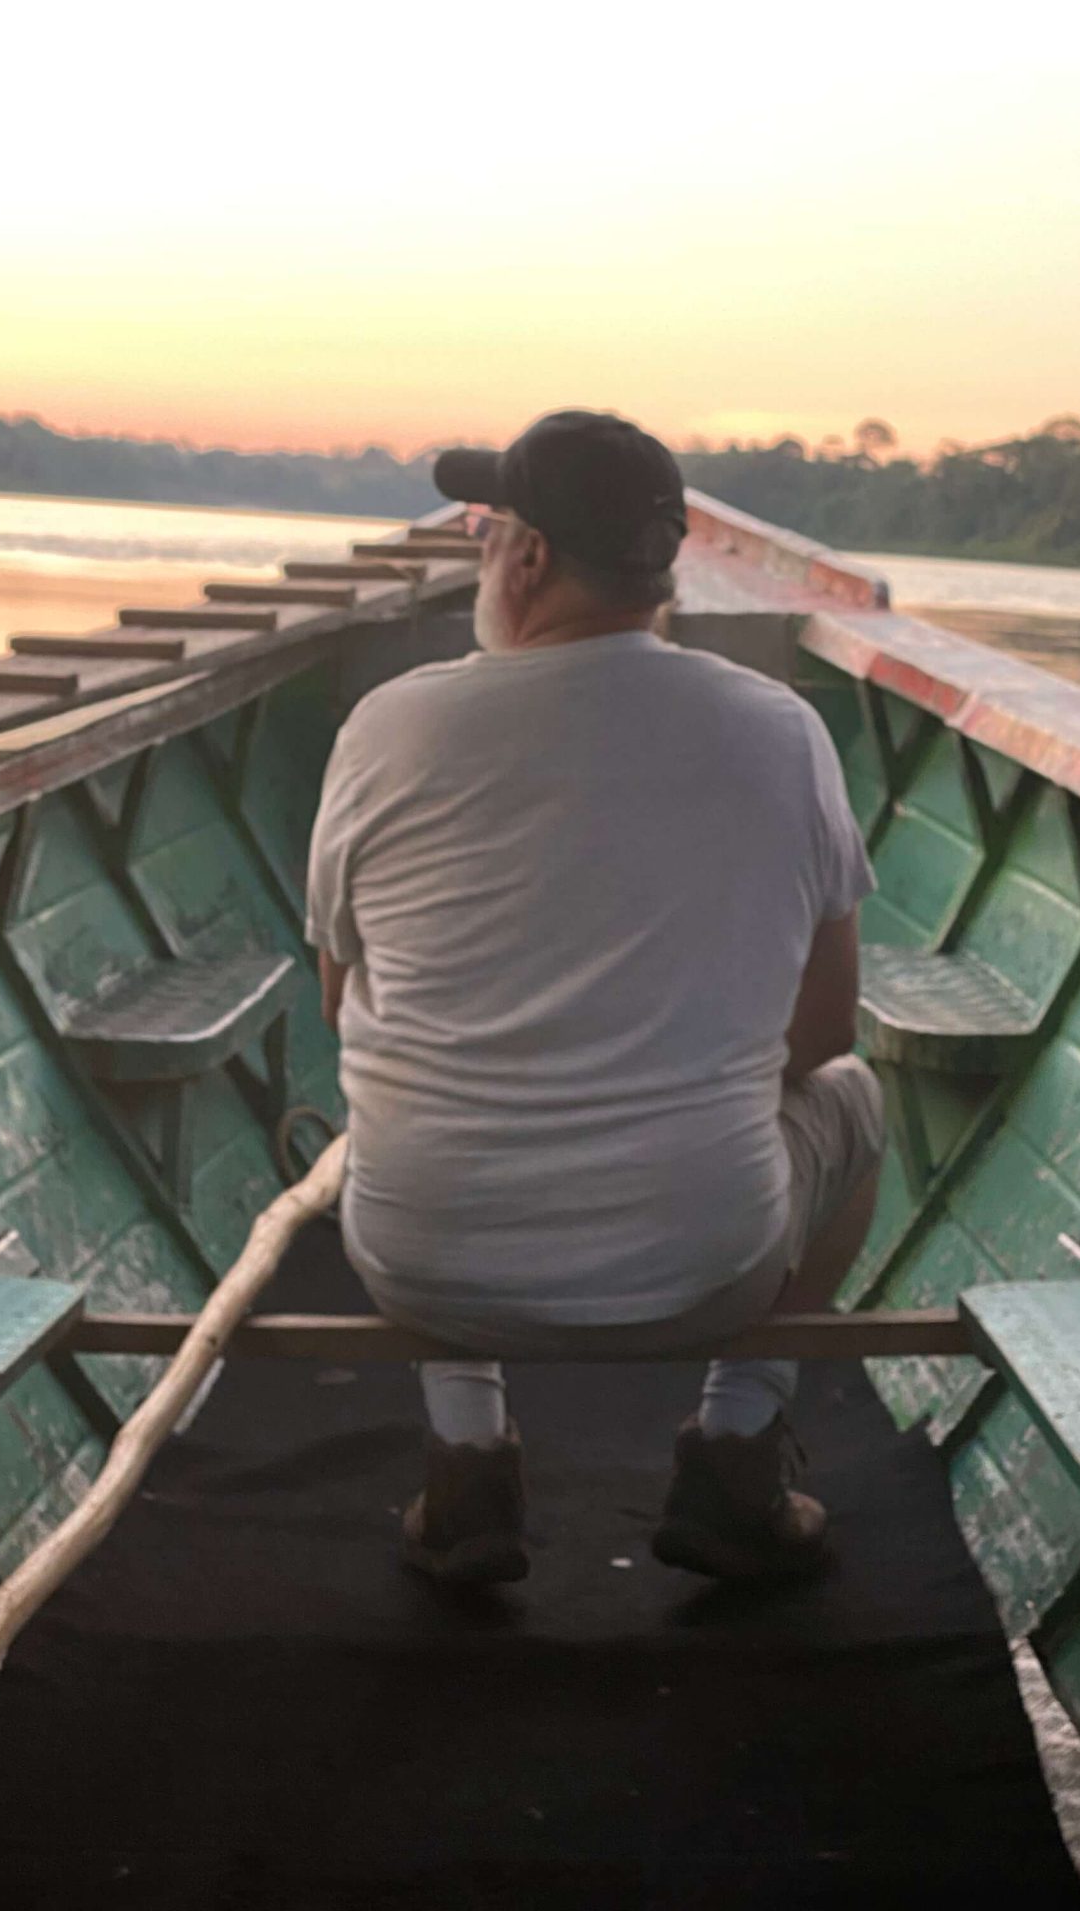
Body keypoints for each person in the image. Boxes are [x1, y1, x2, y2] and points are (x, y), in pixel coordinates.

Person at [305, 409, 884, 1588]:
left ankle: (468, 1470)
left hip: (421, 1258)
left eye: (488, 529)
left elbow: (342, 997)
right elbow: (824, 1035)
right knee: (859, 1105)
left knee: (408, 1078)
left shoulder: (387, 726)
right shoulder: (783, 730)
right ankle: (733, 1452)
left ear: (523, 559)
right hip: (701, 1266)